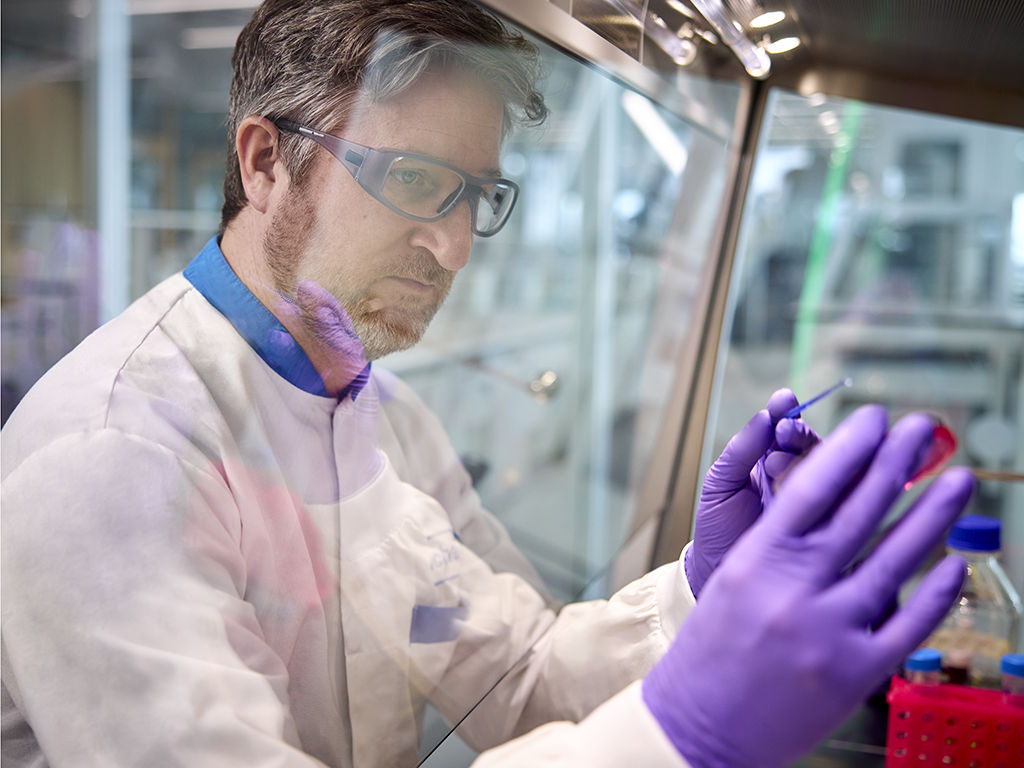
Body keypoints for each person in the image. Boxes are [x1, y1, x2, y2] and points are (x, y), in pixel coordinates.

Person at [0, 1, 974, 766]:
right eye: (418, 181)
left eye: (476, 194)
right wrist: (672, 738)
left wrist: (700, 595)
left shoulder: (386, 424)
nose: (456, 245)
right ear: (265, 162)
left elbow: (511, 670)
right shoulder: (115, 456)